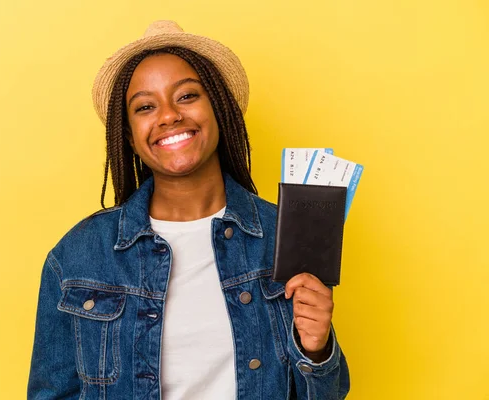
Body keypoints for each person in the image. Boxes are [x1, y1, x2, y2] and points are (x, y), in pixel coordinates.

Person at [28, 20, 350, 399]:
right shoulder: (78, 256)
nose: (168, 115)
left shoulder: (284, 235)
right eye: (146, 106)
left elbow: (328, 394)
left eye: (186, 96)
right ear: (129, 136)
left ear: (218, 109)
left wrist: (318, 349)